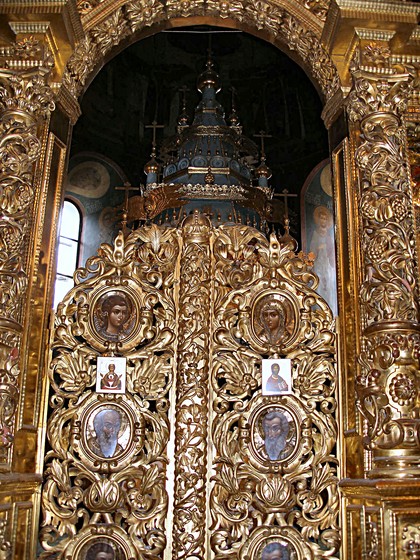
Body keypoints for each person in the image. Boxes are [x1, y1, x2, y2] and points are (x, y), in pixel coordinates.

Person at [309, 205, 337, 315]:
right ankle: (319, 312)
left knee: (329, 286)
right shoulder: (315, 234)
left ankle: (331, 311)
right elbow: (312, 250)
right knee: (319, 285)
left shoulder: (330, 235)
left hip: (328, 265)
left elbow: (333, 250)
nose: (323, 221)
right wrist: (318, 248)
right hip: (319, 264)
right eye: (321, 218)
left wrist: (326, 247)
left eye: (325, 219)